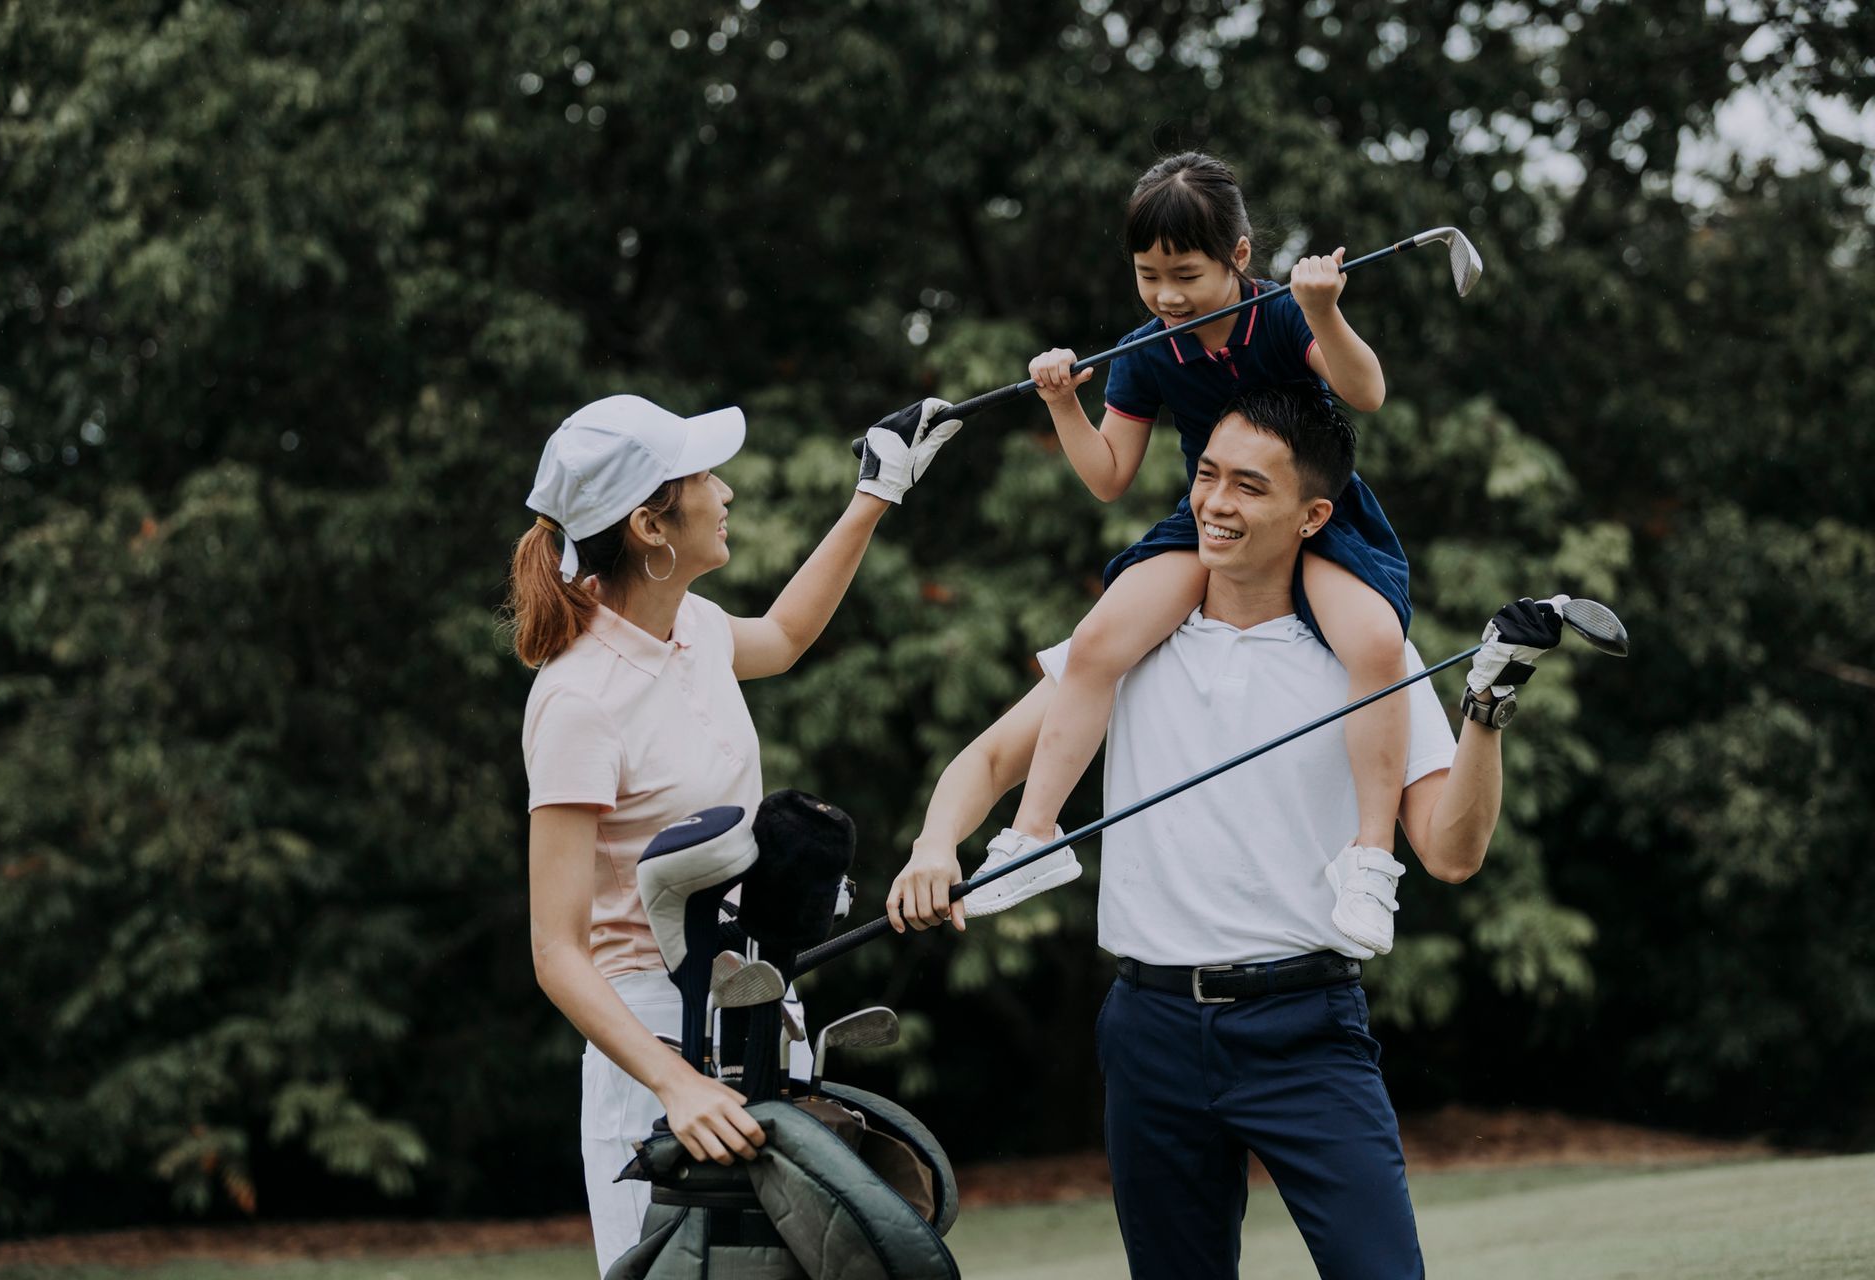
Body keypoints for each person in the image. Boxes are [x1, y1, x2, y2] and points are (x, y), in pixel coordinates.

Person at [887, 385, 1566, 1278]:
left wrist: (1484, 712)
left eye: (1249, 487)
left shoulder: (1374, 654)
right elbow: (983, 764)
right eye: (1207, 477)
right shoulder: (1130, 637)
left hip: (1308, 1029)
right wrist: (936, 847)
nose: (1215, 503)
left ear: (1313, 514)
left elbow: (1449, 850)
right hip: (1151, 1030)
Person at [508, 393, 958, 1271]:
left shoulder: (692, 628)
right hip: (651, 1046)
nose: (726, 493)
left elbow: (786, 635)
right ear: (649, 525)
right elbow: (557, 951)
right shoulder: (576, 700)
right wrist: (675, 1085)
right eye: (704, 478)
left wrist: (876, 492)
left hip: (758, 1011)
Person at [969, 152, 1410, 954]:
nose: (1167, 296)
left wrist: (1324, 311)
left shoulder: (1280, 313)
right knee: (1098, 640)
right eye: (1148, 276)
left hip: (1316, 516)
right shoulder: (1145, 348)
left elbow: (1368, 391)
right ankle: (1034, 837)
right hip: (1211, 518)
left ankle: (1372, 860)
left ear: (1239, 257)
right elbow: (1108, 476)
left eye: (1186, 274)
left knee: (1378, 643)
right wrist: (1066, 404)